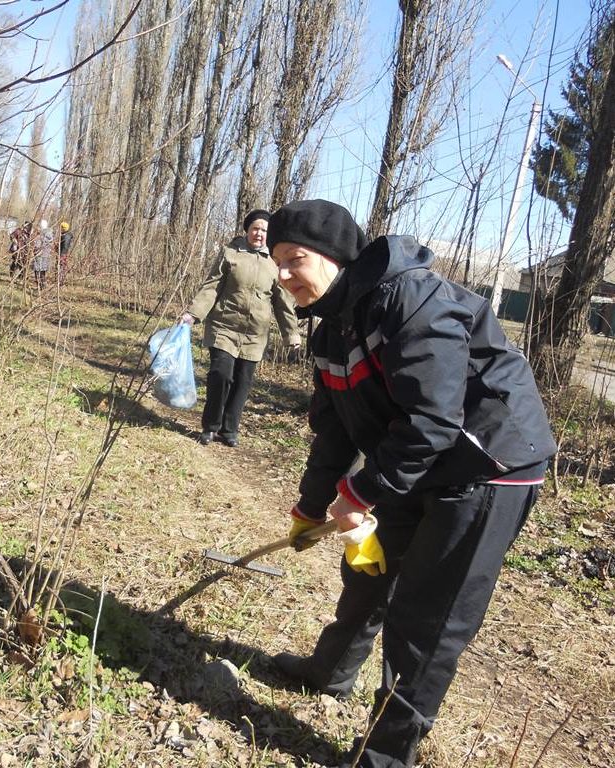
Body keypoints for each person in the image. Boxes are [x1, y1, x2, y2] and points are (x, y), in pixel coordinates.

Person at [266, 200, 557, 768]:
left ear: (333, 257)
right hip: (416, 459)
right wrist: (311, 505)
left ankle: (385, 755)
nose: (282, 274)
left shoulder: (410, 299)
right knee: (368, 572)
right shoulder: (331, 333)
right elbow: (334, 430)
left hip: (487, 464)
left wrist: (360, 493)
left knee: (426, 618)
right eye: (276, 261)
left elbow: (433, 419)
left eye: (294, 259)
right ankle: (329, 672)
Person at [180, 209, 301, 447]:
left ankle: (229, 430)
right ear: (247, 230)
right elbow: (212, 286)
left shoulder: (275, 263)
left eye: (264, 230)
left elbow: (283, 303)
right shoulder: (231, 253)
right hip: (224, 326)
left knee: (242, 382)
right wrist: (193, 314)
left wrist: (291, 334)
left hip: (255, 334)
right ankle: (210, 426)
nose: (259, 234)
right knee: (220, 375)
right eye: (255, 228)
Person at [33, 219, 54, 290]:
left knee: (37, 270)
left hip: (39, 254)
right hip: (46, 255)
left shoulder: (40, 235)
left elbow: (37, 245)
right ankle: (43, 285)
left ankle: (39, 286)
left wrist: (34, 249)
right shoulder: (50, 235)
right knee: (43, 271)